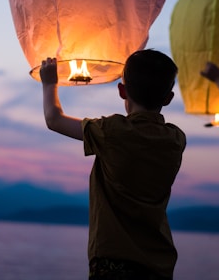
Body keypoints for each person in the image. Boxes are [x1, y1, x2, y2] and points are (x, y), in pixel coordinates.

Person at [40, 49, 186, 280]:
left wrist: (49, 83)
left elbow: (54, 119)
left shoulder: (112, 132)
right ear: (168, 98)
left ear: (122, 90)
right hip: (159, 265)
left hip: (113, 262)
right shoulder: (176, 139)